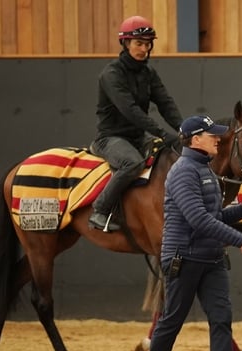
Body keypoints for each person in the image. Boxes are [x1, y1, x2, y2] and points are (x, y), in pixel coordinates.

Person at [140, 115, 242, 351]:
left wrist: (241, 209)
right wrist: (239, 239)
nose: (218, 139)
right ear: (196, 140)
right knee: (172, 320)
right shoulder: (183, 172)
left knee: (221, 317)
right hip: (184, 257)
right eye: (212, 135)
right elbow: (197, 219)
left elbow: (214, 216)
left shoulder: (204, 170)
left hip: (210, 257)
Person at [89, 15, 182, 232]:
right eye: (139, 43)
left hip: (138, 137)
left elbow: (166, 104)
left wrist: (185, 129)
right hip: (111, 138)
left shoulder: (149, 73)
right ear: (125, 43)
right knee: (132, 164)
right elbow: (130, 111)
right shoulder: (111, 74)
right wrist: (161, 133)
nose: (144, 49)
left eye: (148, 44)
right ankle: (100, 210)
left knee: (173, 153)